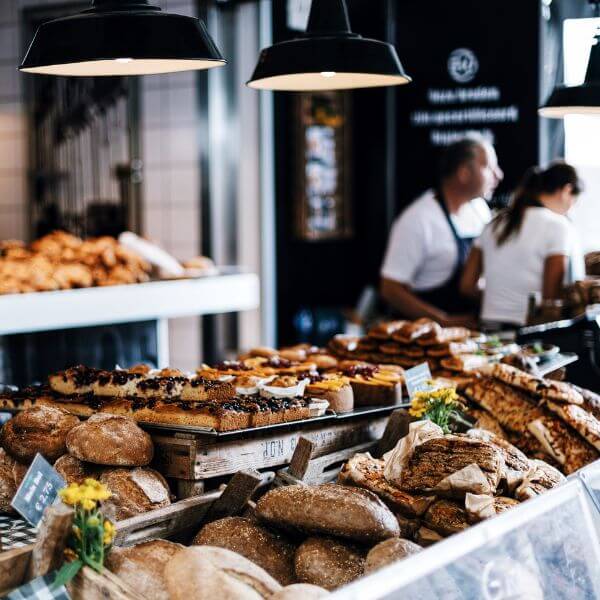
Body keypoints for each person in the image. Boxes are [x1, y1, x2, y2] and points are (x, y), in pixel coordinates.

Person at [380, 133, 503, 327]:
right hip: (425, 337)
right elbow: (390, 289)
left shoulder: (479, 209)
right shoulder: (418, 220)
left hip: (470, 333)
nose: (498, 175)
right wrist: (442, 321)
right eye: (488, 167)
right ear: (464, 172)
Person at [460, 161, 585, 328]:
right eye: (574, 202)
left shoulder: (494, 223)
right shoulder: (558, 226)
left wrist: (500, 299)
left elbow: (467, 286)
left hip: (488, 329)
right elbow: (551, 299)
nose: (571, 209)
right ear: (567, 191)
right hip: (529, 333)